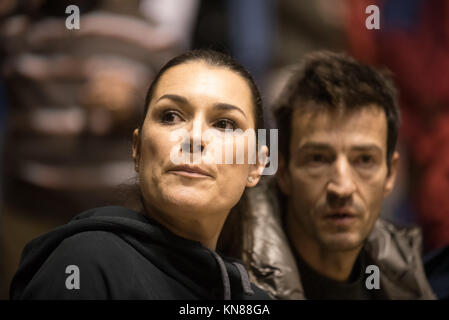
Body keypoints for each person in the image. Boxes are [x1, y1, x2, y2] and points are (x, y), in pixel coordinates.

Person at [9, 49, 271, 300]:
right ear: (137, 150)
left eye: (224, 124)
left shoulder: (251, 297)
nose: (194, 138)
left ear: (257, 165)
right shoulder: (84, 264)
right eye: (170, 116)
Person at [240, 51, 436, 299]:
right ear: (283, 171)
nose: (342, 187)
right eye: (318, 159)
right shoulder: (234, 281)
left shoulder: (404, 277)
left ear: (391, 174)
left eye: (364, 160)